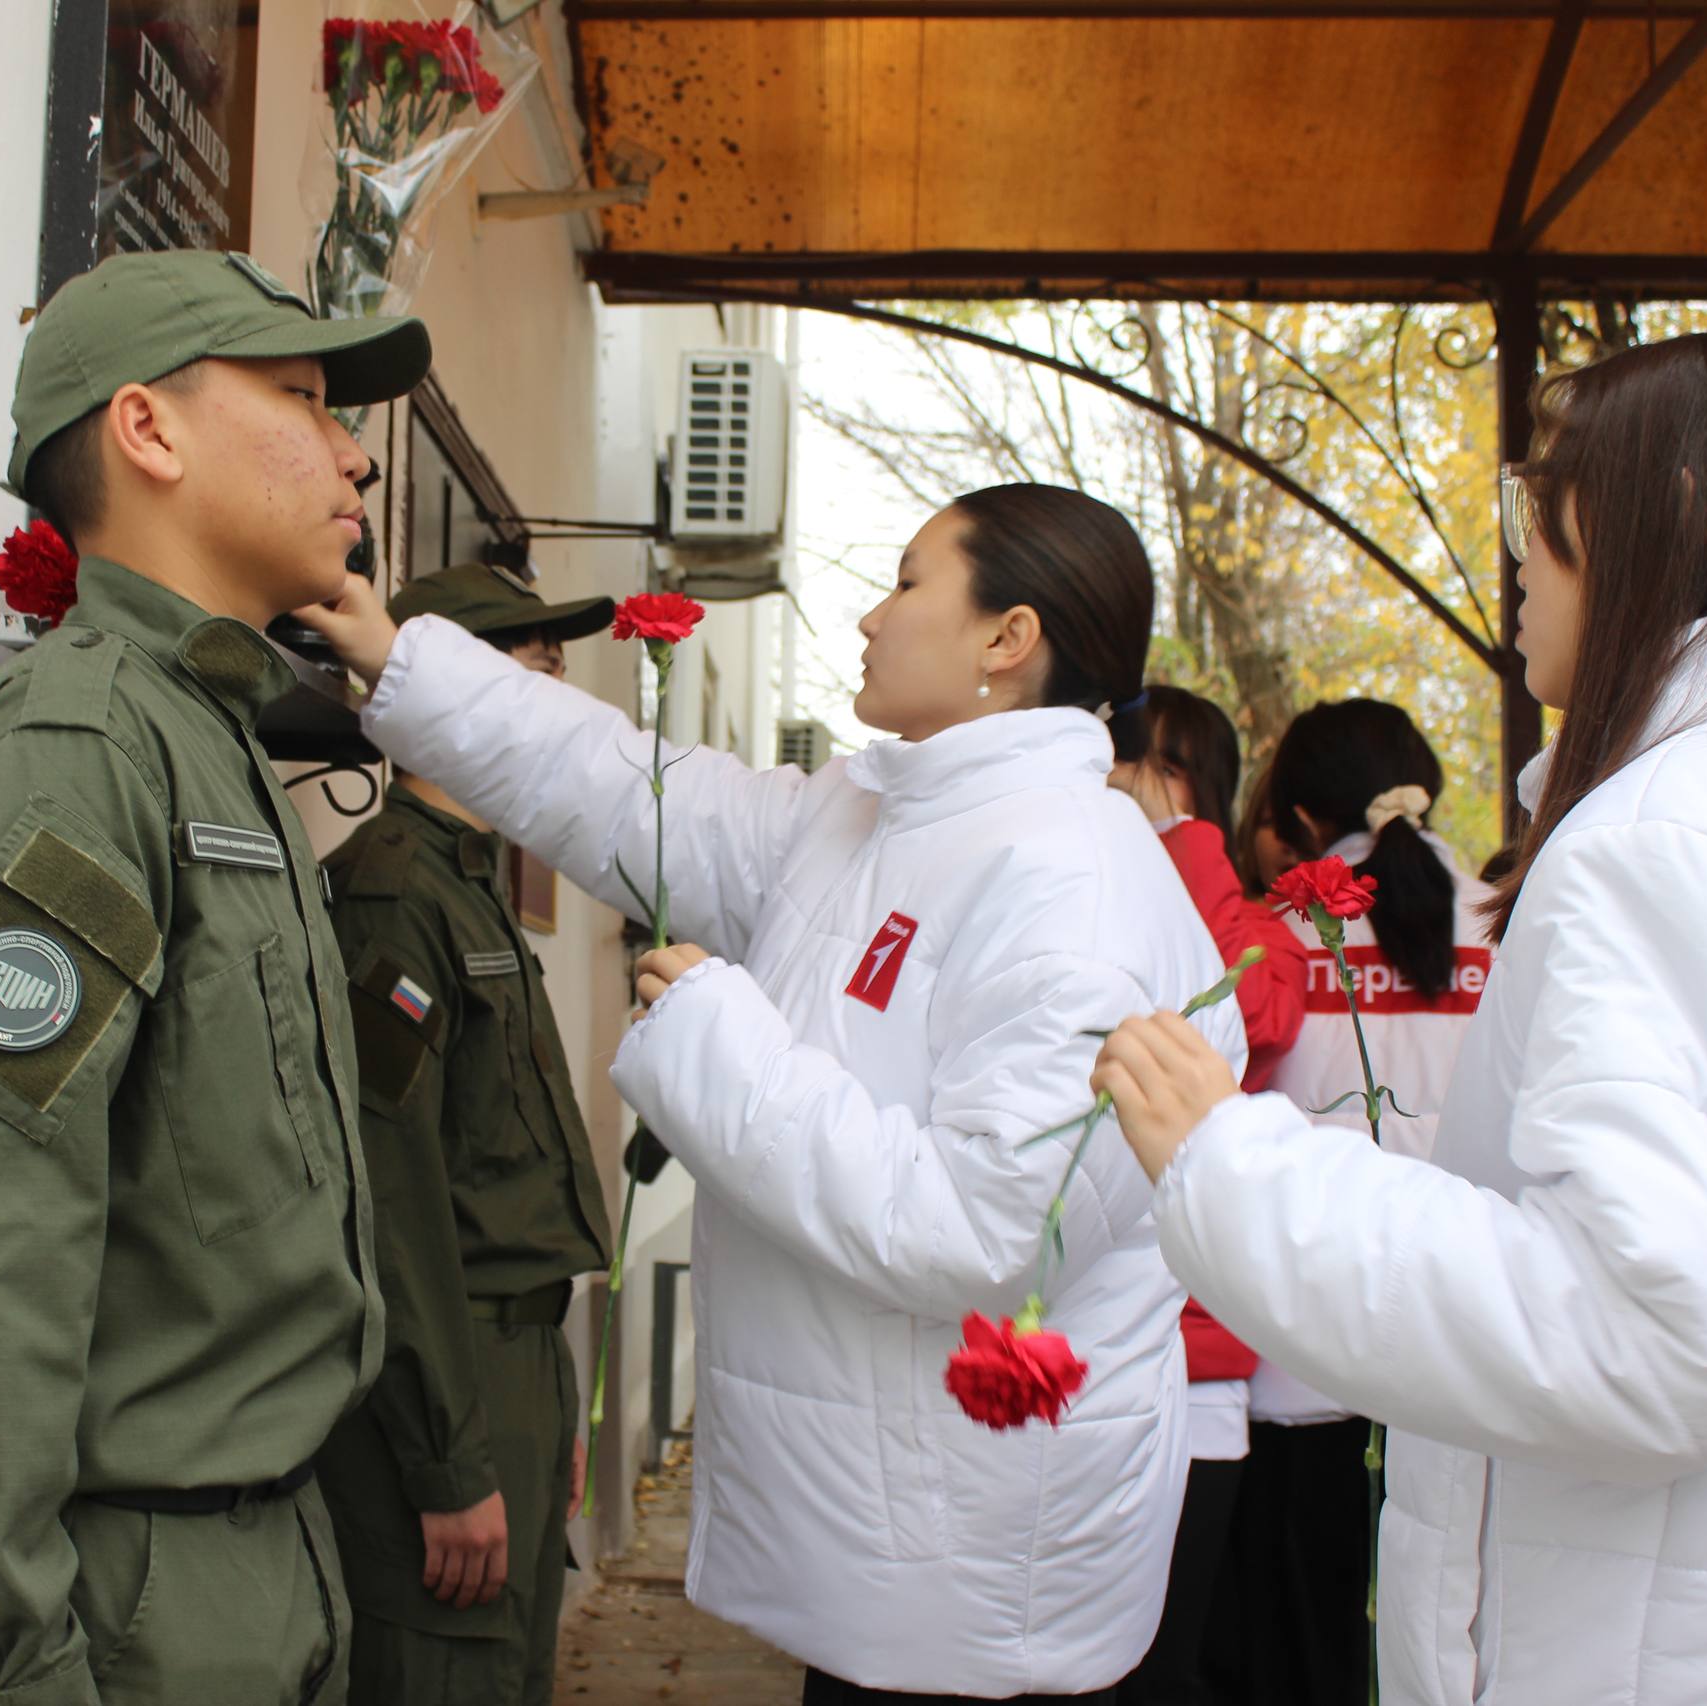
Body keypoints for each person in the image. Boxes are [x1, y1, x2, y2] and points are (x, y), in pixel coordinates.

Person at [300, 483, 1246, 1703]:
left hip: (974, 1580)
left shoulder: (1073, 881)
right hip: (882, 1557)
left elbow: (985, 1225)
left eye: (908, 582)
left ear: (1006, 639)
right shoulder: (869, 814)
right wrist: (398, 660)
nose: (869, 615)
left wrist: (715, 1044)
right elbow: (618, 783)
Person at [1094, 327, 1707, 1703]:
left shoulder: (1678, 838)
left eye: (1541, 492)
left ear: (1669, 511)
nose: (1519, 546)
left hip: (1642, 1647)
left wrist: (1231, 1163)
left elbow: (1655, 1337)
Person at [0, 248, 430, 1705]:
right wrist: (11, 1658)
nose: (354, 450)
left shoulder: (206, 735)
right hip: (119, 1606)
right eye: (298, 394)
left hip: (259, 1560)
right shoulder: (79, 755)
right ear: (148, 430)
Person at [312, 563, 618, 1705]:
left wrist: (546, 1405)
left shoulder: (469, 881)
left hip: (512, 1364)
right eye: (535, 676)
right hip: (445, 1369)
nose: (556, 706)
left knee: (512, 1669)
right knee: (451, 1673)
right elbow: (391, 1200)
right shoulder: (396, 893)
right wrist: (452, 1454)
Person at [1207, 698, 1494, 1706]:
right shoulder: (1511, 927)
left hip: (1292, 1375)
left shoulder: (1272, 939)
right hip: (1462, 1367)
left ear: (1293, 814)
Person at [1106, 685, 1306, 1706]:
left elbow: (1260, 1011)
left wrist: (1177, 840)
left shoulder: (1236, 904)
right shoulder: (1069, 874)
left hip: (1190, 1356)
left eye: (1158, 764)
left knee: (1166, 1666)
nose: (1127, 781)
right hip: (1066, 1335)